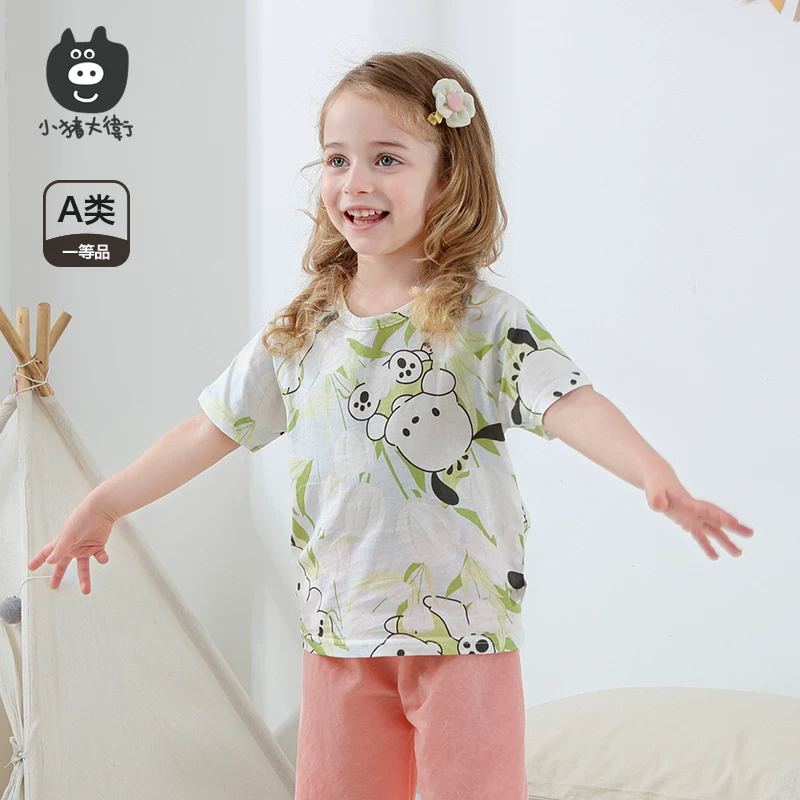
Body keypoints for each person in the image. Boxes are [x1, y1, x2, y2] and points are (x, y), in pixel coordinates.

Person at [28, 50, 754, 800]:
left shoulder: (485, 320)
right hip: (339, 632)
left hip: (463, 632)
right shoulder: (301, 329)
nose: (356, 181)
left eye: (387, 158)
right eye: (336, 159)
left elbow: (570, 402)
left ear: (448, 176)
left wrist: (652, 472)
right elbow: (207, 429)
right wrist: (107, 502)